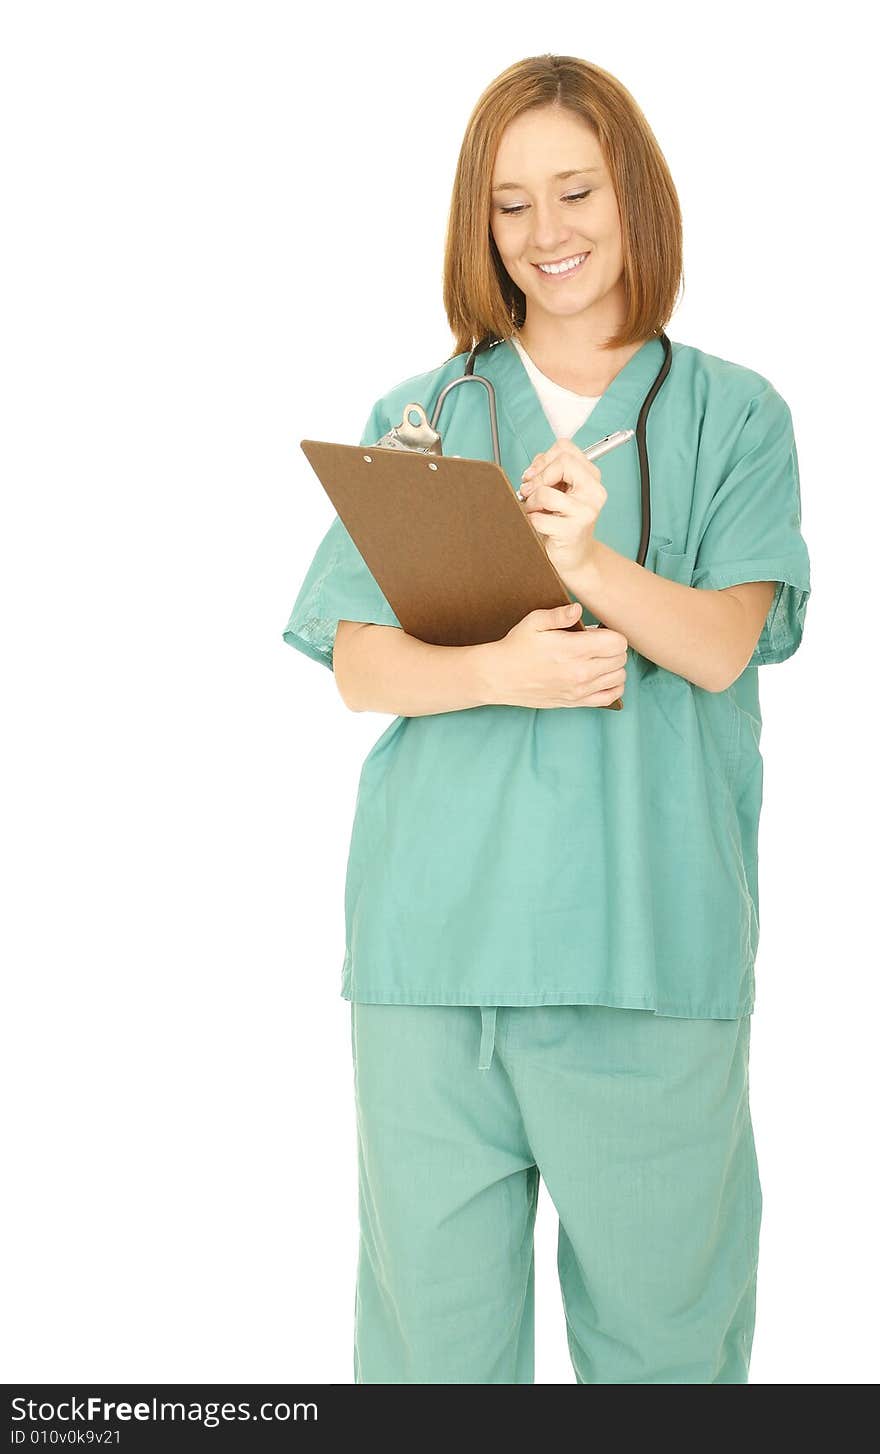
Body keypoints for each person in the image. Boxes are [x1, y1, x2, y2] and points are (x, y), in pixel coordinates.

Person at [281, 54, 811, 1384]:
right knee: (427, 1363)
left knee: (669, 1355)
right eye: (511, 205)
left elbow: (728, 638)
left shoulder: (733, 416)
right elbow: (355, 658)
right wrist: (494, 673)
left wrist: (592, 572)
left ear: (633, 192)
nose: (548, 232)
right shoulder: (428, 416)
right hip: (433, 958)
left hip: (649, 954)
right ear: (480, 225)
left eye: (575, 190)